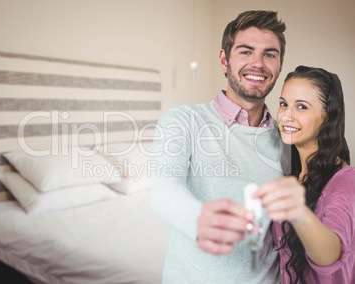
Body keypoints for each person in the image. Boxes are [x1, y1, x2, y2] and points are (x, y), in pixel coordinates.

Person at [150, 10, 286, 283]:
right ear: (225, 60)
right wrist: (196, 217)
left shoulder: (287, 138)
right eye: (246, 52)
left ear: (279, 66)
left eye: (269, 54)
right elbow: (163, 187)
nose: (258, 63)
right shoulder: (183, 121)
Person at [255, 66, 355, 283]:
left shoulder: (346, 182)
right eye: (283, 104)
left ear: (328, 115)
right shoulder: (291, 173)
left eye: (301, 107)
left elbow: (331, 254)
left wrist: (298, 211)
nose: (286, 116)